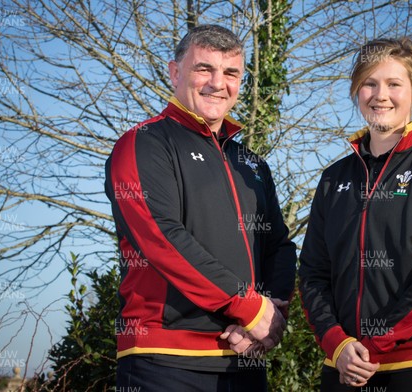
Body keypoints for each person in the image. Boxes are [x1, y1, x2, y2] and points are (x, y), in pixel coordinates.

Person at [105, 24, 296, 392]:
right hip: (164, 359)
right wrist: (250, 308)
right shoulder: (143, 143)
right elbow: (162, 237)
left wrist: (271, 312)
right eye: (203, 69)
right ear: (175, 72)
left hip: (246, 352)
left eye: (231, 73)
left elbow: (279, 246)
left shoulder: (252, 163)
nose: (217, 83)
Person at [299, 37, 412, 391]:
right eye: (369, 83)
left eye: (394, 84)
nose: (380, 95)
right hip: (345, 365)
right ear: (356, 92)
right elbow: (313, 273)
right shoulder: (334, 178)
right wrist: (338, 342)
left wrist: (377, 343)